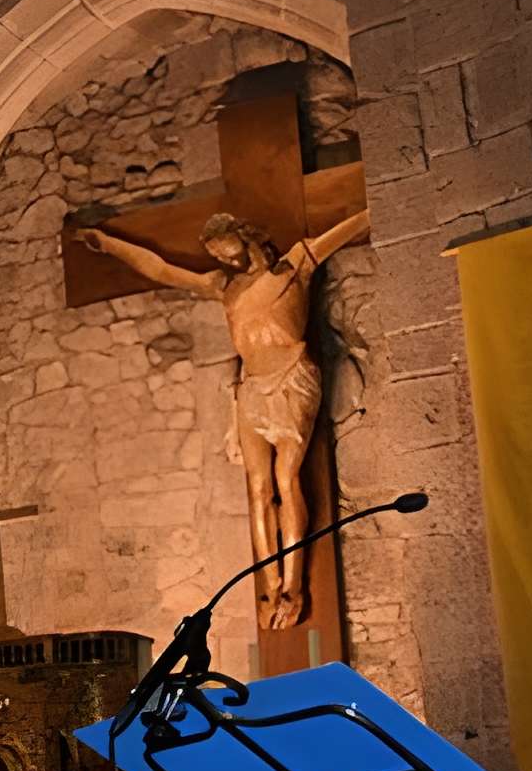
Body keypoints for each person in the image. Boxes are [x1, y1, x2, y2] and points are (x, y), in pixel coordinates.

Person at [73, 206, 372, 630]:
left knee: (287, 478)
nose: (229, 264)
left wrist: (380, 197)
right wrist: (108, 244)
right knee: (257, 487)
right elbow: (162, 270)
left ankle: (295, 584)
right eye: (221, 259)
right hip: (250, 385)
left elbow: (347, 227)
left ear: (247, 238)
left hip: (291, 377)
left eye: (232, 254)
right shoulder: (224, 287)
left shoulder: (295, 264)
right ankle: (270, 586)